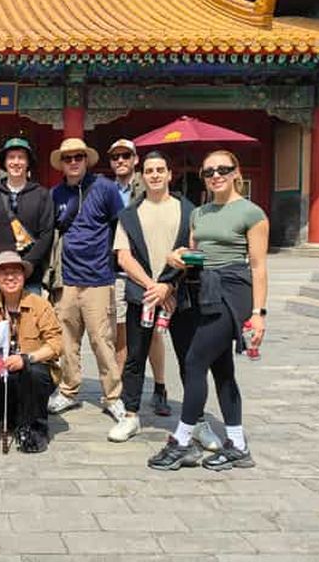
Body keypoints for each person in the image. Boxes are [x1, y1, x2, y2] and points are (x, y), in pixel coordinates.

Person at [148, 150, 268, 471]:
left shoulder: (252, 213)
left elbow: (258, 266)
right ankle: (238, 445)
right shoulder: (199, 213)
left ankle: (183, 441)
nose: (216, 176)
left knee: (195, 360)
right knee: (222, 368)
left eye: (222, 170)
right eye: (208, 172)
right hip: (202, 289)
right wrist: (176, 258)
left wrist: (258, 313)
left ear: (236, 172)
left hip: (233, 290)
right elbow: (195, 254)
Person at [108, 152, 220, 448]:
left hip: (179, 295)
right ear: (142, 176)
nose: (155, 175)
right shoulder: (129, 214)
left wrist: (168, 287)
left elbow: (195, 254)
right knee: (135, 358)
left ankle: (197, 420)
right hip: (142, 294)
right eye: (149, 171)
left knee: (190, 359)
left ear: (170, 174)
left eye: (160, 170)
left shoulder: (189, 211)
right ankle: (130, 414)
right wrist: (153, 287)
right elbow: (123, 257)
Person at [47, 138, 125, 423]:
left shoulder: (105, 188)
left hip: (98, 277)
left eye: (78, 157)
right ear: (61, 163)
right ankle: (68, 389)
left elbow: (120, 226)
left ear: (86, 160)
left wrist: (117, 264)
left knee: (102, 340)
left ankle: (113, 396)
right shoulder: (56, 194)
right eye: (67, 158)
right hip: (66, 278)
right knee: (67, 340)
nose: (73, 162)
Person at [0, 252, 62, 453]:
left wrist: (26, 358)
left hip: (33, 372)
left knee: (33, 372)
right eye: (4, 273)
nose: (10, 277)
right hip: (1, 374)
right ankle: (16, 414)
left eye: (15, 272)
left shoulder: (40, 305)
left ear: (24, 276)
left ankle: (35, 429)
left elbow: (56, 344)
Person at [109, 139, 170, 416]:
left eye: (126, 156)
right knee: (122, 331)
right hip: (119, 270)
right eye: (116, 157)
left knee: (154, 332)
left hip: (152, 273)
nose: (121, 161)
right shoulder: (107, 190)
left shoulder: (148, 188)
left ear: (136, 160)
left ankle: (160, 386)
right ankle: (124, 389)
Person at [0, 137, 54, 294]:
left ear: (28, 162)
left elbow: (46, 234)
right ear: (4, 162)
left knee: (30, 310)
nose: (16, 162)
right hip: (0, 271)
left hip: (30, 275)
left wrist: (27, 264)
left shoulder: (41, 194)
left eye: (21, 157)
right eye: (11, 157)